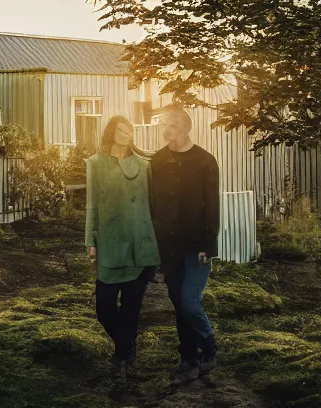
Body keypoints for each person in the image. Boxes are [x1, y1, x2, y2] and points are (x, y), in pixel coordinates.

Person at [84, 115, 161, 388]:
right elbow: (91, 205)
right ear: (111, 132)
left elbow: (154, 206)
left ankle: (120, 363)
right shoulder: (95, 163)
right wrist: (89, 239)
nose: (126, 132)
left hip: (140, 246)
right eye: (121, 128)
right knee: (104, 309)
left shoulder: (144, 166)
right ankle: (126, 344)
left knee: (131, 310)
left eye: (129, 129)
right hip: (109, 246)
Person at [149, 103, 220, 384]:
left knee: (190, 301)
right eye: (163, 125)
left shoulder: (205, 161)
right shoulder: (157, 161)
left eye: (172, 125)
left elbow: (212, 207)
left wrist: (208, 245)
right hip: (168, 245)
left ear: (186, 127)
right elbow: (153, 205)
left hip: (197, 245)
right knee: (178, 303)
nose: (166, 130)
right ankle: (189, 358)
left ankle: (209, 347)